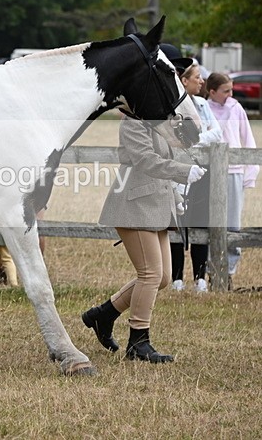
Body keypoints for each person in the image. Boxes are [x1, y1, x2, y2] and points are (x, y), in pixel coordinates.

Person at [82, 113, 206, 363]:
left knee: (163, 277)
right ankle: (138, 342)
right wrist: (184, 171)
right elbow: (146, 160)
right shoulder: (133, 122)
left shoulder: (158, 121)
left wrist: (176, 198)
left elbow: (163, 161)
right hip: (134, 204)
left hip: (155, 205)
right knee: (150, 274)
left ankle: (103, 315)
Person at [162, 54, 223, 293]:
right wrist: (195, 139)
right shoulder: (170, 106)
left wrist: (193, 140)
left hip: (202, 170)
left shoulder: (202, 105)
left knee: (200, 220)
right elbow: (171, 137)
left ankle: (200, 278)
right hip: (177, 170)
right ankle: (177, 278)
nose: (202, 81)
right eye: (197, 77)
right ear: (184, 81)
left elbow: (217, 133)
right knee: (178, 221)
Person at [206, 72, 259, 288]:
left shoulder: (236, 108)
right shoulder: (204, 109)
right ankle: (211, 271)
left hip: (234, 171)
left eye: (231, 89)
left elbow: (248, 139)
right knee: (211, 223)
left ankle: (228, 271)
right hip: (209, 172)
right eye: (225, 91)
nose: (230, 94)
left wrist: (250, 172)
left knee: (233, 224)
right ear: (212, 92)